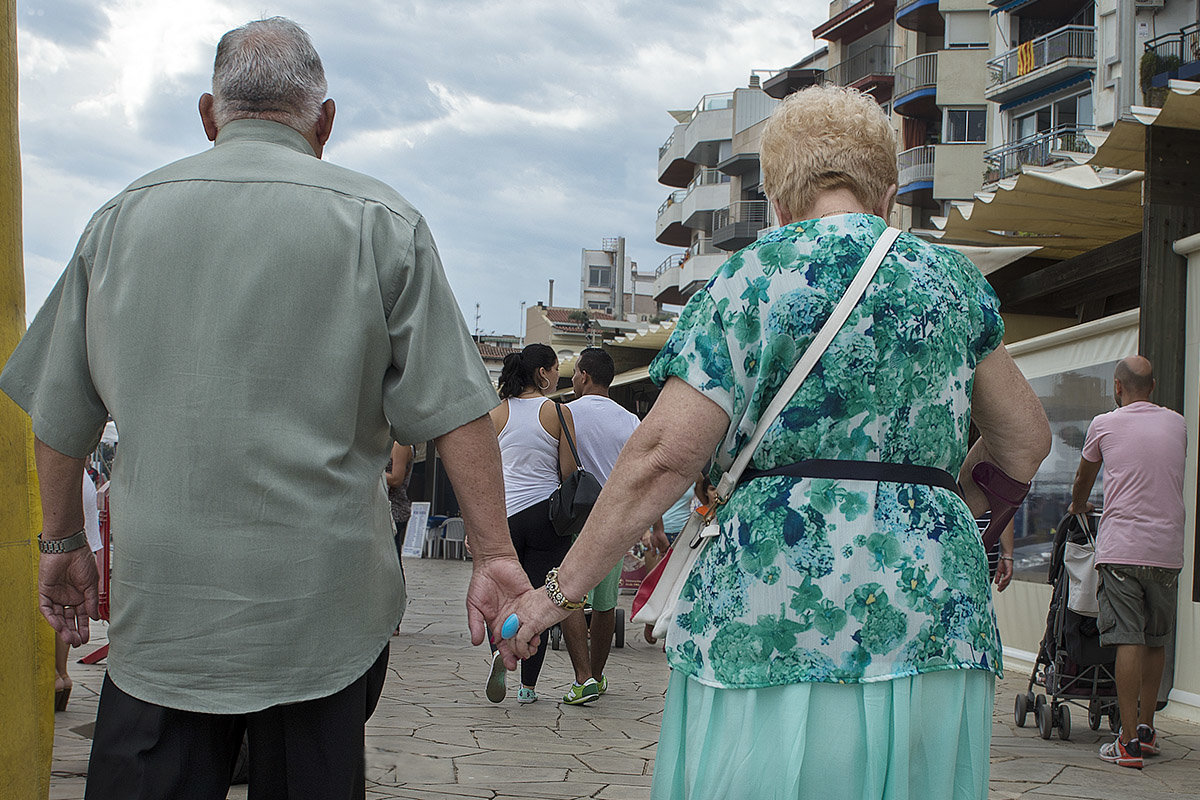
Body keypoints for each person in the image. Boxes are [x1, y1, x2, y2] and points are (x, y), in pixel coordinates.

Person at [0, 18, 527, 798]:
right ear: (325, 120)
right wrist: (493, 555)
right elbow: (457, 412)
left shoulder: (117, 223)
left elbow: (58, 411)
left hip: (163, 617)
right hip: (322, 617)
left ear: (210, 116)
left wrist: (62, 540)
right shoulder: (386, 224)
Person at [501, 85, 1051, 800]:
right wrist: (936, 509)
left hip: (780, 606)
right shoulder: (951, 282)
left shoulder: (753, 278)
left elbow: (667, 455)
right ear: (887, 194)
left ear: (779, 200)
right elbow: (1025, 443)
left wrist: (556, 595)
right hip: (934, 617)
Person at [1068, 355, 1186, 769]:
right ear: (1152, 387)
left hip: (1122, 549)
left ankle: (1128, 741)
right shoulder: (1178, 423)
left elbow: (1084, 478)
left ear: (1117, 388)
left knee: (1129, 638)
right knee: (1156, 639)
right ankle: (1148, 731)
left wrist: (1078, 505)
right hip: (1167, 551)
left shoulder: (1104, 424)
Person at [485, 343, 580, 705]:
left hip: (505, 518)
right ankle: (527, 687)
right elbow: (569, 473)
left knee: (504, 596)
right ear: (542, 373)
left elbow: (487, 476)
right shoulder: (557, 412)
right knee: (537, 601)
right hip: (545, 517)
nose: (559, 376)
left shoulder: (496, 412)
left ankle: (500, 650)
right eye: (556, 369)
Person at [558, 347, 640, 704]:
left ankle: (582, 678)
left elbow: (556, 468)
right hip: (615, 520)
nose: (573, 378)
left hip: (575, 516)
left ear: (585, 376)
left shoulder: (564, 414)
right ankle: (599, 675)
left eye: (576, 372)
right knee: (606, 604)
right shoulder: (631, 420)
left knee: (569, 596)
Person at [53, 470, 104, 712]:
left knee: (50, 607)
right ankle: (61, 675)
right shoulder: (83, 474)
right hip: (82, 541)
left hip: (58, 494)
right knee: (63, 608)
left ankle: (53, 678)